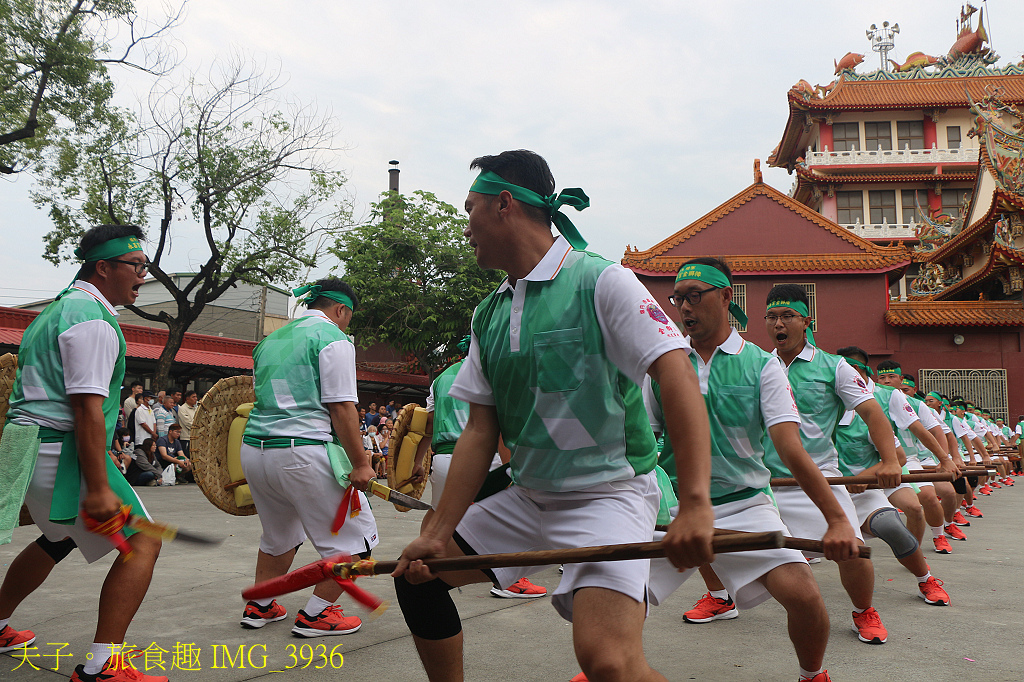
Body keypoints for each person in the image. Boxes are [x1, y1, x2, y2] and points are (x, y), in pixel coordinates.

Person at [392, 150, 714, 682]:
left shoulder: (602, 281)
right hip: (529, 496)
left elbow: (675, 373)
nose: (464, 224)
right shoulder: (489, 311)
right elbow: (480, 430)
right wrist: (438, 530)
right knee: (417, 579)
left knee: (609, 662)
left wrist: (696, 504)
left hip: (609, 495)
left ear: (503, 204)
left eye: (469, 207)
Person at [645, 258, 859, 682]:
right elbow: (646, 442)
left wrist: (837, 520)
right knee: (615, 600)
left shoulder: (763, 365)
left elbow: (790, 449)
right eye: (678, 299)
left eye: (695, 297)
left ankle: (812, 674)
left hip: (744, 504)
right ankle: (607, 667)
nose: (685, 308)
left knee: (806, 598)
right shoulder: (662, 364)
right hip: (672, 510)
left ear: (726, 297)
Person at [0, 224, 166, 682]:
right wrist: (98, 486)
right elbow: (87, 408)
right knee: (142, 541)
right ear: (103, 267)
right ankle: (103, 667)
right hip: (61, 451)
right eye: (136, 267)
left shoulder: (57, 310)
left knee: (58, 538)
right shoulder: (92, 319)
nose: (142, 275)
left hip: (30, 448)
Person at [761, 284, 902, 645]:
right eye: (772, 317)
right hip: (764, 480)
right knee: (712, 537)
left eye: (788, 316)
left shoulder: (834, 366)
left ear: (806, 320)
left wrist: (888, 460)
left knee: (851, 549)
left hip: (818, 478)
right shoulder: (759, 364)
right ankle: (720, 596)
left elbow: (872, 413)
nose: (779, 323)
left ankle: (864, 610)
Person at [239, 277, 378, 638]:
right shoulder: (332, 338)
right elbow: (342, 408)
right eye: (349, 316)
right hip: (303, 451)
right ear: (341, 309)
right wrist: (362, 464)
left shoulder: (269, 341)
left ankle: (261, 606)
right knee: (358, 545)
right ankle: (318, 614)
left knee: (279, 535)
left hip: (256, 451)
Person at [410, 335, 547, 600]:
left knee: (439, 515)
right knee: (501, 521)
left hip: (443, 459)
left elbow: (428, 424)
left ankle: (427, 561)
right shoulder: (490, 369)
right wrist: (511, 468)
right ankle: (509, 581)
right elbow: (498, 427)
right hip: (479, 459)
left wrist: (417, 461)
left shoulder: (441, 378)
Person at [833, 348, 952, 605]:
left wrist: (946, 459)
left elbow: (904, 449)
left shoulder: (877, 407)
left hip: (879, 474)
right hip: (824, 487)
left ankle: (923, 573)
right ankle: (723, 596)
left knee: (909, 513)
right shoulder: (816, 407)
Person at [177, 390, 198, 457]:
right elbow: (188, 423)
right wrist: (198, 426)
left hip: (196, 437)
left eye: (196, 397)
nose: (195, 399)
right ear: (187, 399)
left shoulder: (196, 408)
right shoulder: (182, 409)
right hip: (186, 438)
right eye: (193, 397)